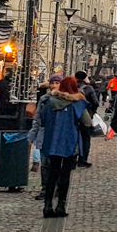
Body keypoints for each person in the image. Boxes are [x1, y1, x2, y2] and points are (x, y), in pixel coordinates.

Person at [39, 77, 90, 218]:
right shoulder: (77, 103)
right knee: (65, 174)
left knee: (52, 173)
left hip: (53, 142)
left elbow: (42, 120)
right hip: (70, 142)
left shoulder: (50, 102)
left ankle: (48, 205)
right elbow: (87, 123)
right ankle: (61, 205)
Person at [74, 70, 99, 167]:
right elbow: (95, 102)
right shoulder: (88, 88)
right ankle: (83, 159)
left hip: (74, 116)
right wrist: (92, 112)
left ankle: (73, 158)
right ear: (85, 78)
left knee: (74, 137)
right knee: (85, 138)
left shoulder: (72, 87)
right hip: (86, 116)